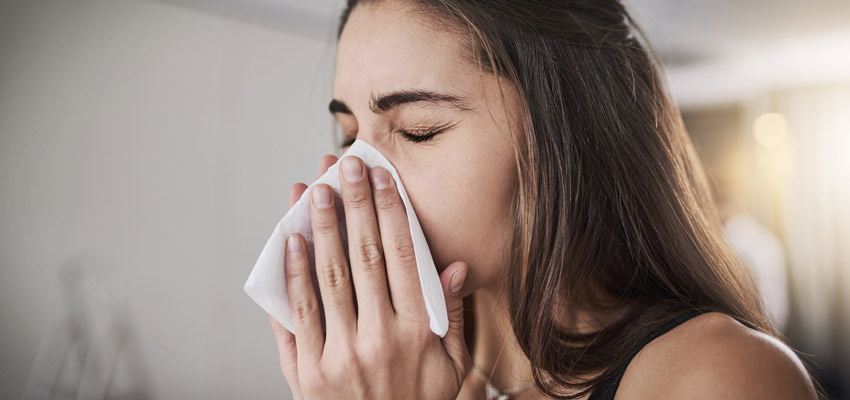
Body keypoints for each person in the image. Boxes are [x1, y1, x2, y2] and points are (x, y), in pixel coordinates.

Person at [267, 0, 820, 398]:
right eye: (349, 136)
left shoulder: (715, 379)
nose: (352, 179)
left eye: (419, 129)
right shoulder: (389, 370)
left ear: (564, 135)